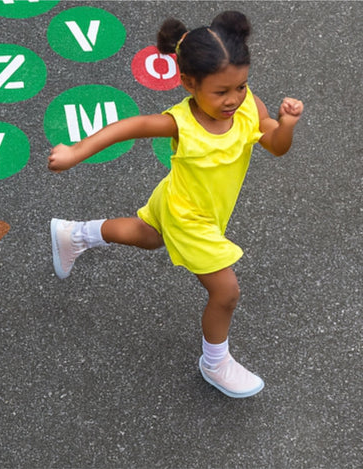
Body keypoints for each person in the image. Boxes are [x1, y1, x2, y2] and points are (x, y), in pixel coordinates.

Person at [47, 11, 303, 398]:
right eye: (221, 92)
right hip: (190, 217)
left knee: (147, 236)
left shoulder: (249, 104)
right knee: (225, 291)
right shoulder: (182, 123)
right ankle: (215, 363)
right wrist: (74, 153)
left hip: (179, 199)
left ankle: (75, 234)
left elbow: (275, 147)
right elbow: (128, 127)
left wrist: (285, 126)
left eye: (241, 85)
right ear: (188, 83)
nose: (234, 98)